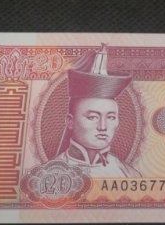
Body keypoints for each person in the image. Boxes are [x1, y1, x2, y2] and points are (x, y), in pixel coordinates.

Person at [55, 44, 141, 177]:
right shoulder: (50, 174)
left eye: (111, 117)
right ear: (70, 122)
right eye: (93, 117)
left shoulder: (130, 175)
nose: (103, 127)